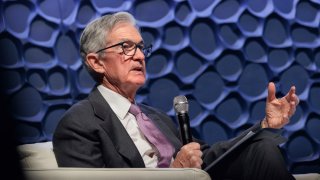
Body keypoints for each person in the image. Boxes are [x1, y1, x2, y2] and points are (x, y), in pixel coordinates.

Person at [53, 11, 299, 180]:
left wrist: (265, 125)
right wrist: (173, 173)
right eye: (126, 47)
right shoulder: (79, 123)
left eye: (140, 47)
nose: (139, 56)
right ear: (96, 62)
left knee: (263, 148)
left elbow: (206, 157)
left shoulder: (156, 117)